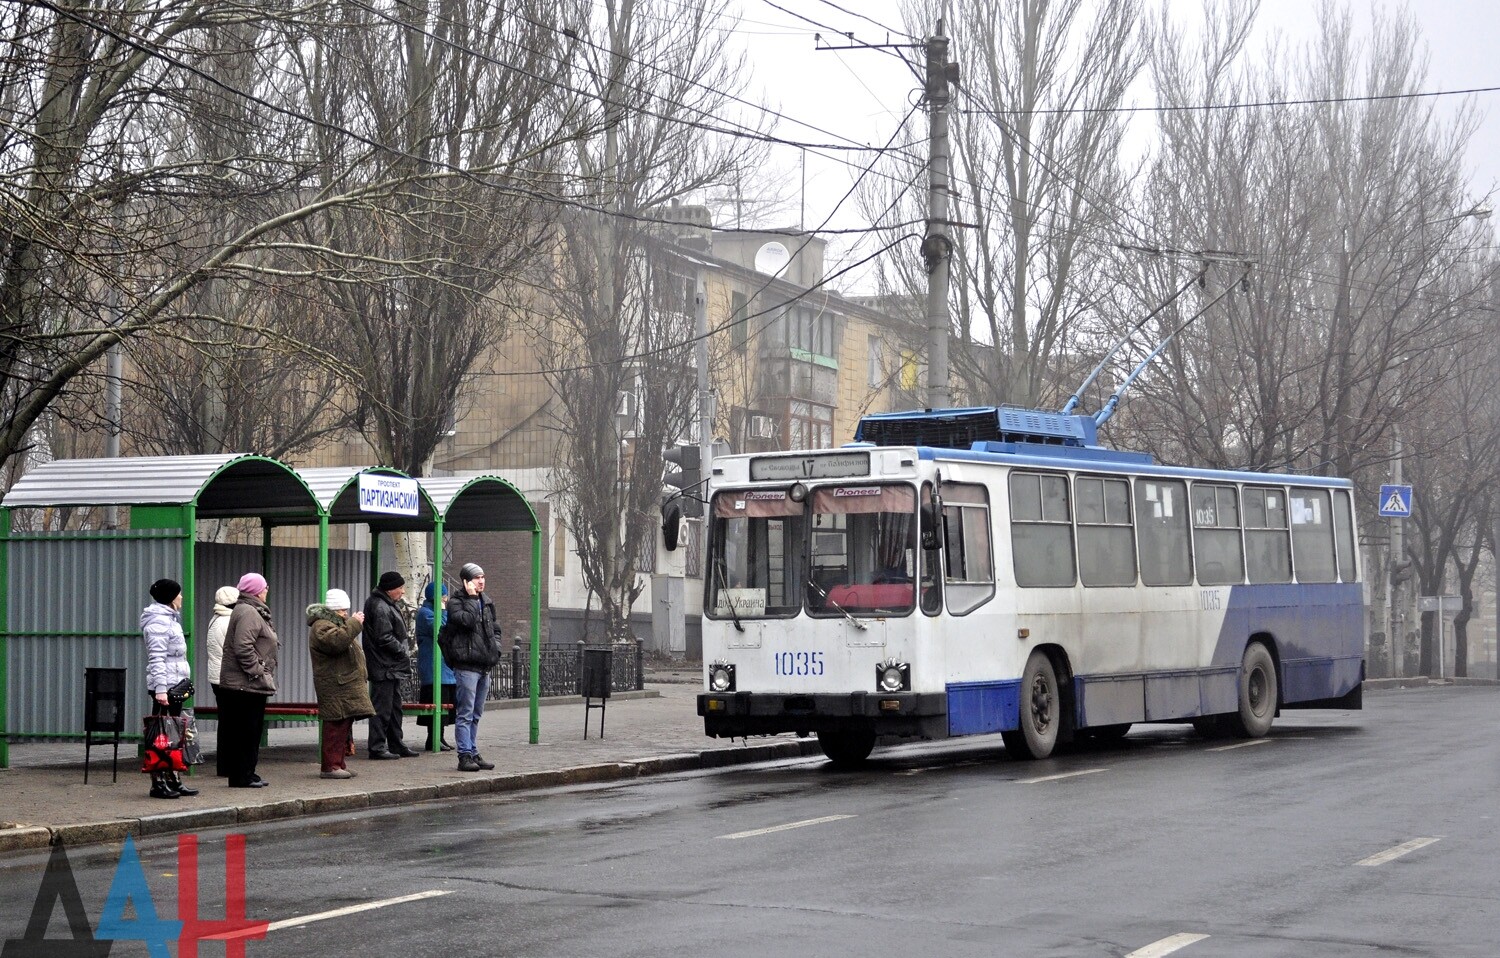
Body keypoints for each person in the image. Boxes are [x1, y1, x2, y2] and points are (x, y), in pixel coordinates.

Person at [218, 572, 278, 788]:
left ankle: (248, 773)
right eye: (264, 587)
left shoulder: (250, 610)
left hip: (248, 683)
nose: (266, 590)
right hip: (245, 684)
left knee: (250, 731)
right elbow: (243, 647)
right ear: (255, 591)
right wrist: (257, 671)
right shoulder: (248, 612)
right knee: (245, 731)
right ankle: (241, 776)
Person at [141, 578, 198, 799]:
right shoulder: (158, 622)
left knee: (173, 733)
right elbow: (156, 659)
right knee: (161, 736)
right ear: (170, 597)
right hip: (165, 687)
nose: (182, 597)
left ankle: (174, 778)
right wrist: (161, 690)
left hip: (175, 684)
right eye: (179, 594)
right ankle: (158, 782)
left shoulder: (170, 620)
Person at [307, 589, 372, 779]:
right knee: (335, 725)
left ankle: (339, 763)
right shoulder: (321, 626)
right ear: (334, 610)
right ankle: (330, 766)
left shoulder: (332, 624)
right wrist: (354, 623)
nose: (345, 614)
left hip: (343, 683)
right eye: (342, 611)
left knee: (343, 724)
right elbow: (337, 642)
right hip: (335, 684)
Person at [444, 563, 501, 772]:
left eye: (483, 576)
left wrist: (496, 649)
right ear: (466, 581)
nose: (481, 581)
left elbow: (495, 628)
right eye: (477, 578)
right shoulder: (456, 602)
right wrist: (471, 599)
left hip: (484, 666)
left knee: (476, 713)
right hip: (466, 666)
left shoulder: (486, 602)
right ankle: (464, 756)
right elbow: (466, 622)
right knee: (465, 714)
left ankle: (474, 751)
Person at [363, 570, 417, 760]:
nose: (402, 591)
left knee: (394, 708)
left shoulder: (385, 604)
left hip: (389, 666)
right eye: (400, 588)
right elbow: (383, 637)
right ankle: (377, 747)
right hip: (384, 665)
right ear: (390, 589)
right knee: (382, 708)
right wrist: (402, 651)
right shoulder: (380, 606)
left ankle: (396, 743)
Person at [416, 582, 456, 752]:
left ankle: (439, 737)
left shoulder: (433, 612)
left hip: (444, 668)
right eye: (443, 597)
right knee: (435, 702)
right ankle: (433, 738)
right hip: (433, 667)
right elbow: (441, 628)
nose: (446, 600)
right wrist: (444, 610)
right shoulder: (426, 614)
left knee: (445, 704)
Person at [204, 585, 238, 777]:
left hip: (216, 676)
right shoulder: (227, 621)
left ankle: (224, 765)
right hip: (226, 676)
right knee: (231, 724)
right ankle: (228, 765)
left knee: (225, 722)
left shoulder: (215, 619)